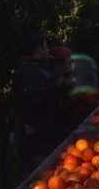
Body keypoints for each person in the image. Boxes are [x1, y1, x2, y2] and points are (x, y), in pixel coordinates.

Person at [11, 33, 72, 174]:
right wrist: (60, 85)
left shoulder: (40, 67)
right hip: (35, 141)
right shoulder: (29, 73)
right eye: (46, 46)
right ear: (39, 49)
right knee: (41, 177)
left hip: (44, 137)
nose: (48, 50)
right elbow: (40, 98)